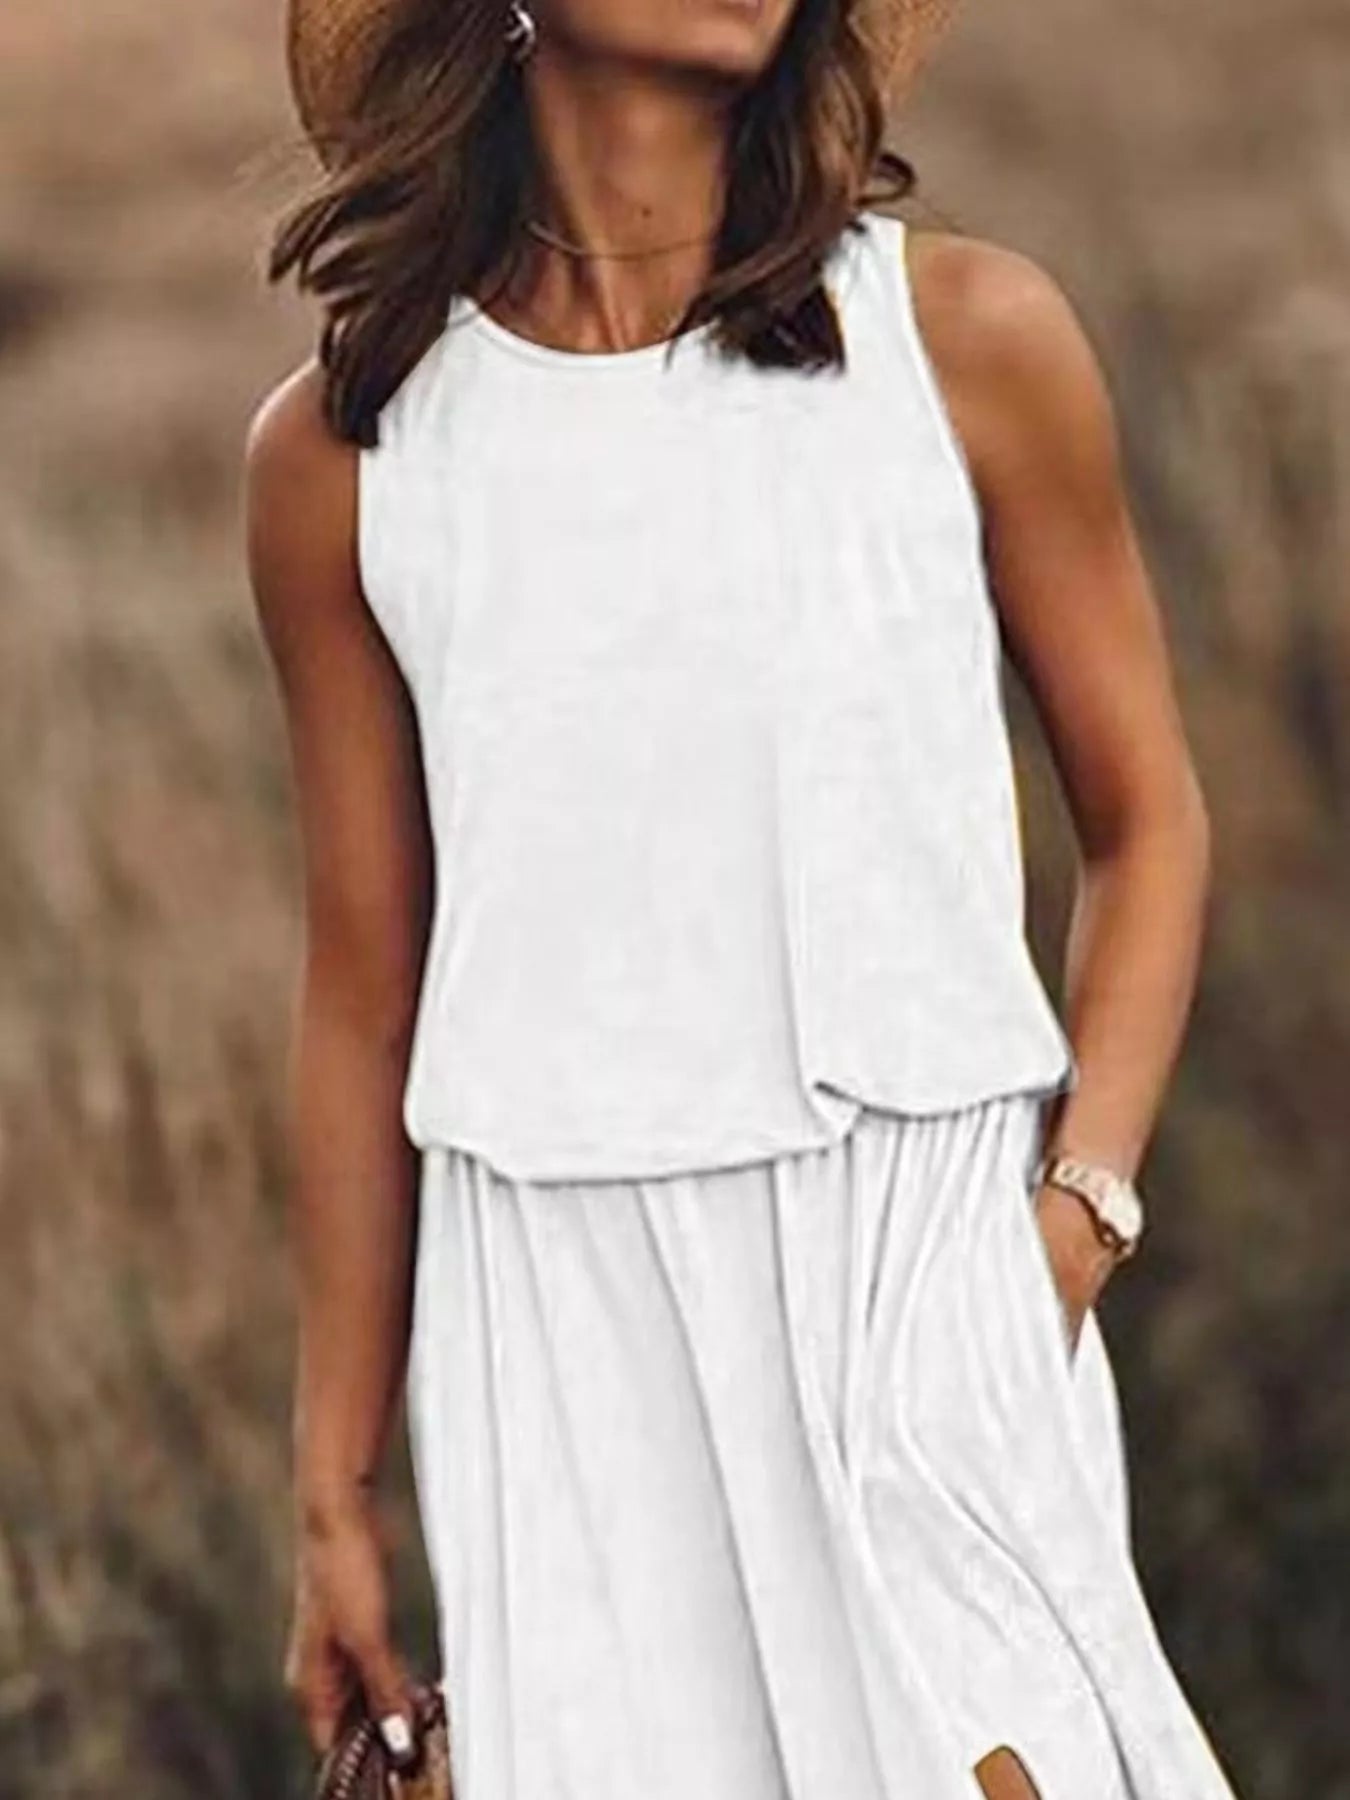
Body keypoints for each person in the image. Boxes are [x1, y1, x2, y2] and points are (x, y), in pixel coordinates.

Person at [244, 1, 1243, 1795]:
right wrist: (334, 1489)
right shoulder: (344, 462)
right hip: (554, 1319)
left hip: (915, 1284)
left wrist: (1065, 1231)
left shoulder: (963, 340)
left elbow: (1147, 818)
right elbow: (364, 998)